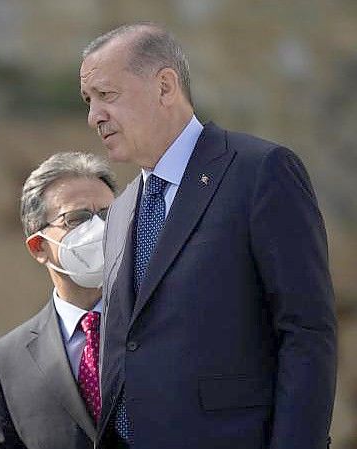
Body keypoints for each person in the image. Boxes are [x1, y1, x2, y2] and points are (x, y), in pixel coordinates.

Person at [79, 23, 337, 449]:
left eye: (107, 96)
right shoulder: (122, 208)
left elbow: (306, 333)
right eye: (88, 101)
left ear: (164, 86)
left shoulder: (260, 171)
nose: (94, 116)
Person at [0, 152, 117, 449]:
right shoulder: (5, 364)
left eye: (108, 215)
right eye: (77, 219)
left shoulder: (167, 324)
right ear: (39, 246)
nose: (99, 229)